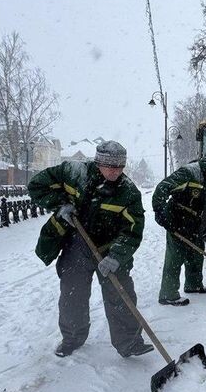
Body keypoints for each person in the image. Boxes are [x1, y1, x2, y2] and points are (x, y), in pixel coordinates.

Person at [27, 140, 153, 359]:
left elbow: (133, 230)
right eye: (111, 166)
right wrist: (60, 205)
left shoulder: (128, 192)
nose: (116, 171)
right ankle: (72, 338)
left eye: (120, 167)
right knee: (72, 295)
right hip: (76, 244)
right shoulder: (72, 173)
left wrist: (116, 256)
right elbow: (36, 186)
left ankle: (129, 342)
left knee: (121, 294)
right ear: (98, 163)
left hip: (110, 249)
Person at [152, 152, 206, 306]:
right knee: (175, 256)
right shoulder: (188, 172)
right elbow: (162, 188)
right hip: (177, 218)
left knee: (196, 252)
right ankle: (168, 294)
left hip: (193, 220)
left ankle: (193, 284)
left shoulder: (205, 176)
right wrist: (159, 211)